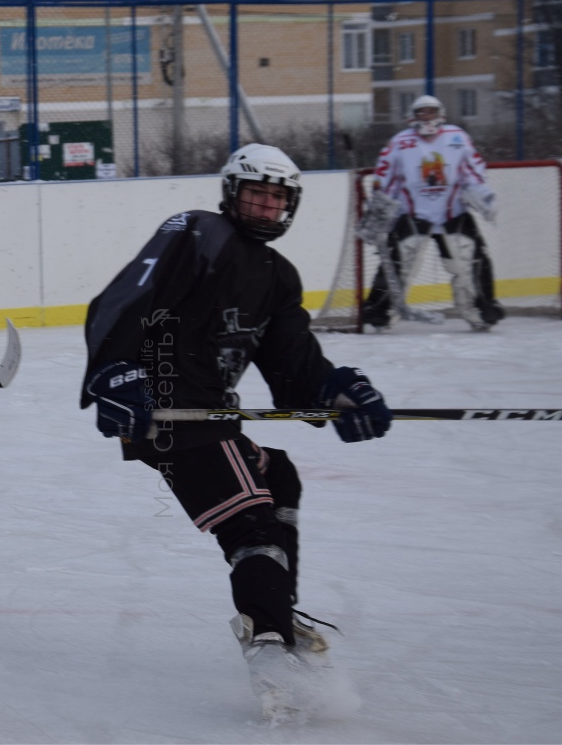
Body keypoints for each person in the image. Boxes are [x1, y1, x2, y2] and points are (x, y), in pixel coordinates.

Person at [81, 143, 394, 720]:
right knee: (251, 521)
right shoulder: (196, 233)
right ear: (231, 192)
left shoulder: (278, 276)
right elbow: (121, 300)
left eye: (277, 197)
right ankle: (269, 645)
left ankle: (275, 612)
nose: (266, 205)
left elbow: (293, 366)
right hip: (164, 411)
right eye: (256, 193)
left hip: (210, 417)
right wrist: (115, 372)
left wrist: (336, 391)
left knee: (279, 478)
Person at [362, 95, 503, 331]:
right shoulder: (400, 143)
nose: (427, 117)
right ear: (413, 116)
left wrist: (483, 196)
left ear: (441, 114)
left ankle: (481, 311)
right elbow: (386, 180)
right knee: (397, 265)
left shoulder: (457, 137)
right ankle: (380, 312)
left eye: (432, 111)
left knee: (472, 262)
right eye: (422, 112)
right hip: (412, 215)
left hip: (454, 214)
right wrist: (379, 213)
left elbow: (473, 173)